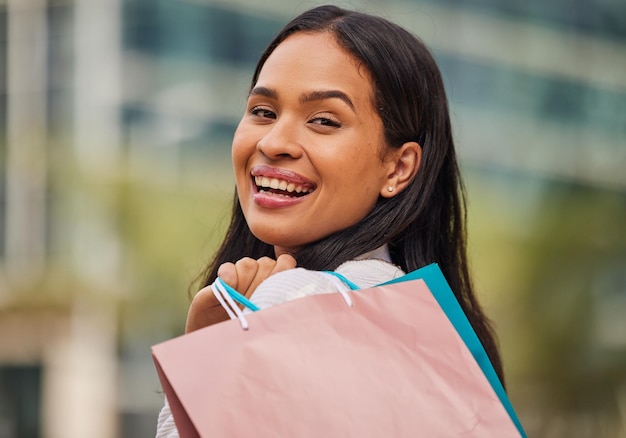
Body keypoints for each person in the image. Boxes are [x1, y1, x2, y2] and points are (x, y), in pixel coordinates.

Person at [156, 5, 504, 437]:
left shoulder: (298, 298)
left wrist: (208, 355)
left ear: (398, 168)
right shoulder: (431, 334)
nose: (275, 141)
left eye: (323, 120)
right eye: (263, 111)